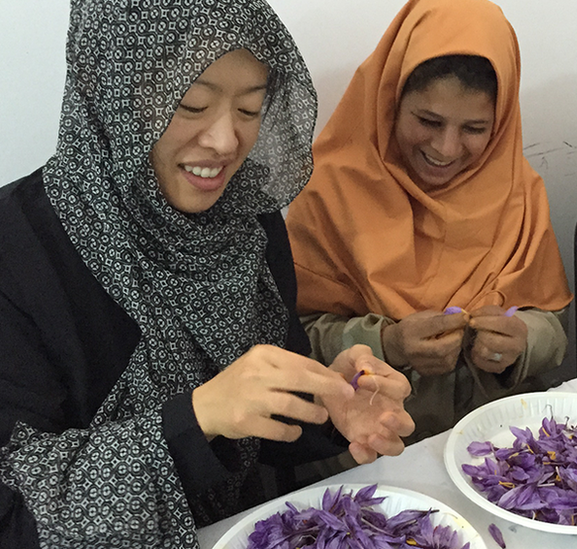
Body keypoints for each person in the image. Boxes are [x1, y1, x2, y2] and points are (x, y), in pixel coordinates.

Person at [0, 0, 414, 547]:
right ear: (109, 94)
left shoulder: (244, 217)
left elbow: (255, 435)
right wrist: (198, 416)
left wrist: (331, 400)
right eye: (190, 104)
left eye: (249, 108)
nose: (225, 143)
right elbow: (14, 514)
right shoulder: (16, 251)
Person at [286, 0, 572, 442]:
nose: (446, 148)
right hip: (367, 450)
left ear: (500, 124)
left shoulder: (517, 188)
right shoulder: (330, 191)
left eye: (475, 128)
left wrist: (523, 341)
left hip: (499, 440)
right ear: (389, 102)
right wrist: (389, 344)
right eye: (428, 120)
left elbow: (551, 321)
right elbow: (292, 339)